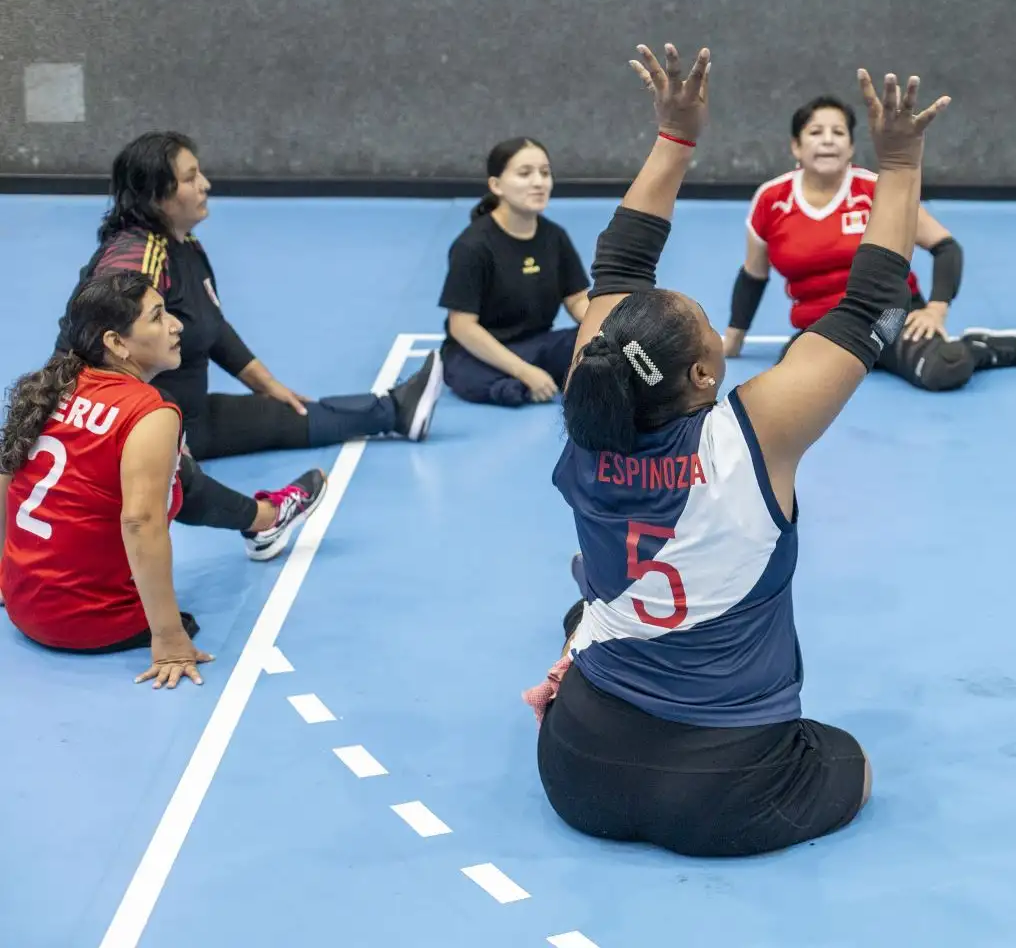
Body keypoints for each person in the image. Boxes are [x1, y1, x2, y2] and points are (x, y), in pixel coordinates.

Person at [529, 42, 946, 857]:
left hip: (576, 768)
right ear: (702, 372)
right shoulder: (748, 438)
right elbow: (867, 306)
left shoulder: (592, 402)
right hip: (725, 789)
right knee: (853, 766)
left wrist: (674, 138)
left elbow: (620, 260)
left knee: (588, 608)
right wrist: (898, 163)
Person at [59, 132, 442, 552]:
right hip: (146, 424)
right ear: (156, 194)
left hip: (191, 412)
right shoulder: (136, 261)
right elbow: (86, 340)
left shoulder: (182, 244)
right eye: (190, 178)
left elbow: (211, 324)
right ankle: (265, 521)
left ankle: (396, 411)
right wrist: (140, 428)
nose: (204, 184)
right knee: (178, 486)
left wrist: (265, 383)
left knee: (288, 411)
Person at [723, 95, 1016, 392]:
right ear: (796, 146)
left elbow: (946, 247)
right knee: (787, 386)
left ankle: (981, 346)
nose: (828, 140)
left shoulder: (876, 189)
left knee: (945, 368)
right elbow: (753, 275)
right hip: (823, 327)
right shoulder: (771, 200)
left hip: (888, 318)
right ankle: (875, 358)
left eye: (838, 132)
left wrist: (935, 310)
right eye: (815, 132)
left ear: (850, 147)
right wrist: (733, 341)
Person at [2, 272, 213, 686]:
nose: (176, 325)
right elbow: (140, 522)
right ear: (117, 343)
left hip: (20, 604)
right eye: (157, 317)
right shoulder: (149, 412)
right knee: (187, 620)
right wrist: (169, 638)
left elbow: (6, 475)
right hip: (85, 625)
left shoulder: (51, 387)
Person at [438, 138, 591, 406]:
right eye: (525, 173)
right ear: (496, 185)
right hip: (481, 353)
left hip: (539, 345)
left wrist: (606, 330)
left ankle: (536, 383)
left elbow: (577, 300)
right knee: (467, 374)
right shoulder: (472, 246)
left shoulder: (555, 237)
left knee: (601, 346)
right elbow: (462, 327)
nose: (538, 182)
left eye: (545, 173)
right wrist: (524, 372)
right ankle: (520, 386)